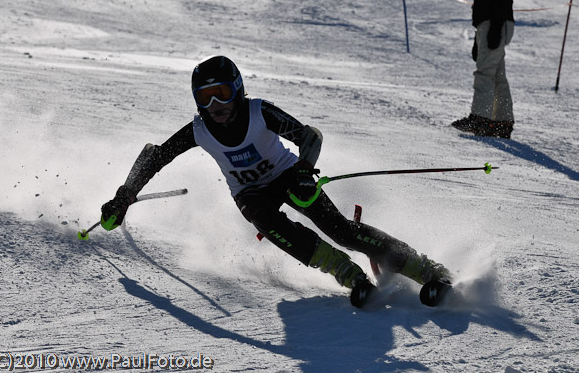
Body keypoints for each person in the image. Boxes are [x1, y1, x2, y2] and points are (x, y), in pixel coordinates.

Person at [101, 55, 452, 308]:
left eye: (221, 92)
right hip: (251, 193)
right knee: (263, 218)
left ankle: (427, 270)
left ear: (237, 89)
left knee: (341, 230)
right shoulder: (200, 130)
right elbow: (155, 154)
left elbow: (309, 137)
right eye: (205, 98)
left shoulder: (259, 112)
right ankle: (348, 274)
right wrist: (124, 195)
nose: (216, 104)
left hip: (288, 176)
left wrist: (303, 171)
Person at [452, 0, 516, 139]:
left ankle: (480, 119)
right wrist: (478, 37)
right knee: (497, 75)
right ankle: (502, 122)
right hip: (491, 23)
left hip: (495, 23)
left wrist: (494, 28)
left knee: (485, 73)